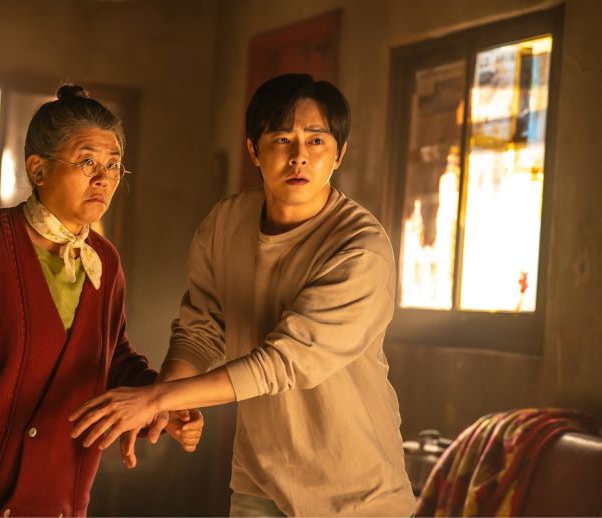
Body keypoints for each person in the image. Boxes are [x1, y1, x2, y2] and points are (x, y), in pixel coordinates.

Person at [69, 73, 416, 516]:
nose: (299, 156)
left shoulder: (360, 248)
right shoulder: (226, 223)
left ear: (339, 153)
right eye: (281, 139)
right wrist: (168, 401)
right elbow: (202, 328)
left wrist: (156, 399)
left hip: (354, 493)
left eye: (316, 141)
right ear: (253, 149)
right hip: (259, 480)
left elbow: (282, 361)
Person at [0, 84, 203, 518]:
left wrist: (158, 403)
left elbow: (107, 360)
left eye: (113, 165)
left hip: (49, 503)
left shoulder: (103, 262)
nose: (103, 179)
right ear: (38, 169)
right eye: (87, 162)